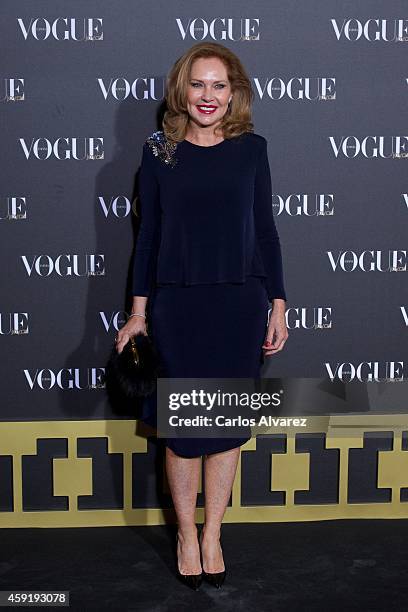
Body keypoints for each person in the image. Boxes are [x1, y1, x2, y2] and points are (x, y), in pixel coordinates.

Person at [115, 42, 288, 590]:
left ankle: (214, 532)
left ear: (234, 92)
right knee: (185, 430)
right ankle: (185, 535)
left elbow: (265, 231)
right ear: (180, 90)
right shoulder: (159, 150)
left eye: (219, 85)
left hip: (239, 303)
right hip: (179, 305)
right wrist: (138, 312)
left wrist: (278, 302)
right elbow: (148, 237)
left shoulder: (252, 150)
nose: (208, 96)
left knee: (226, 428)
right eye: (198, 84)